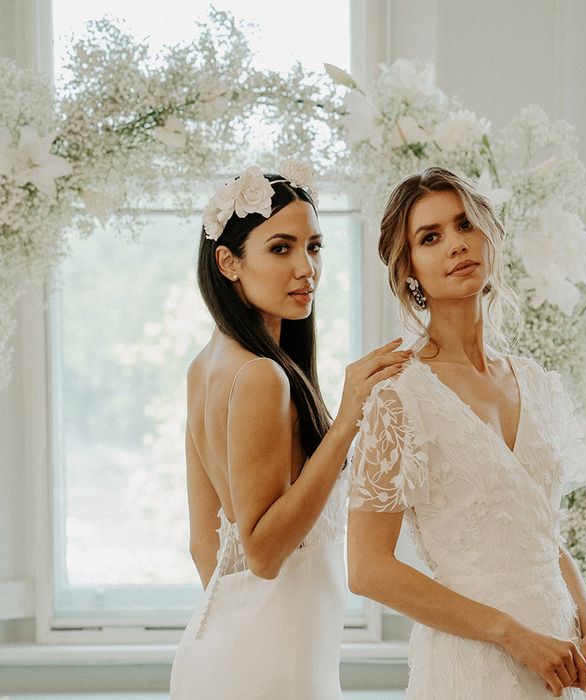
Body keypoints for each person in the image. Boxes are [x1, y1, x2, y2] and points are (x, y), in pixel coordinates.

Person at [347, 167, 586, 698]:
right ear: (410, 273)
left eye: (465, 225)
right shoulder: (398, 396)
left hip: (562, 660)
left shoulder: (538, 384)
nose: (456, 244)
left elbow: (539, 531)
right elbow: (367, 569)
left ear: (489, 238)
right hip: (472, 662)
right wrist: (511, 635)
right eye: (431, 237)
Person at [170, 162, 409, 699]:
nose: (307, 268)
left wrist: (246, 631)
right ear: (228, 262)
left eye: (315, 246)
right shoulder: (260, 377)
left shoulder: (206, 366)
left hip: (228, 654)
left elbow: (202, 545)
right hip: (273, 670)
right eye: (281, 248)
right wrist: (348, 419)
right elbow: (263, 552)